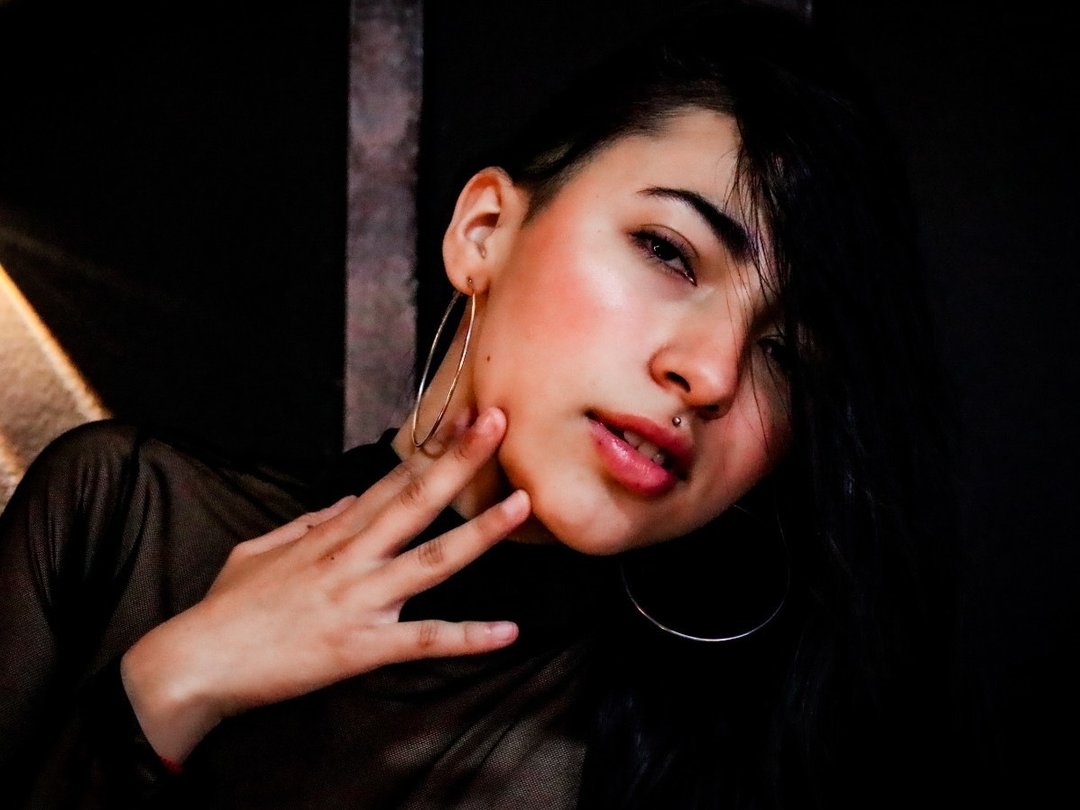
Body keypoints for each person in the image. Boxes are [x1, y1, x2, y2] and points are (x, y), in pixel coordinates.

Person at [0, 3, 955, 808]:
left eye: (785, 353)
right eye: (668, 252)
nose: (710, 373)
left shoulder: (777, 739)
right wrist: (168, 689)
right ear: (485, 230)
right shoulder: (122, 520)